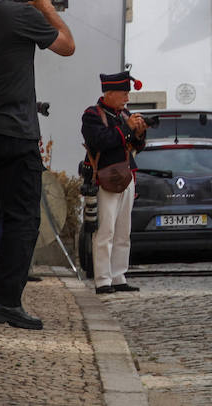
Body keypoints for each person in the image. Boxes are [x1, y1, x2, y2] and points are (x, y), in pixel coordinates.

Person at [0, 0, 74, 330]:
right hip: (15, 133)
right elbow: (67, 46)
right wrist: (45, 6)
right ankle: (6, 300)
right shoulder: (18, 15)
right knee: (23, 218)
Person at [81, 70, 148, 295]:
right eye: (123, 93)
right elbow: (102, 141)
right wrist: (128, 128)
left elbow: (135, 146)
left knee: (123, 230)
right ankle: (102, 279)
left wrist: (139, 133)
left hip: (126, 176)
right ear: (109, 93)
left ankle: (119, 275)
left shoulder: (123, 115)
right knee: (105, 231)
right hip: (105, 178)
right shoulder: (92, 115)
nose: (127, 98)